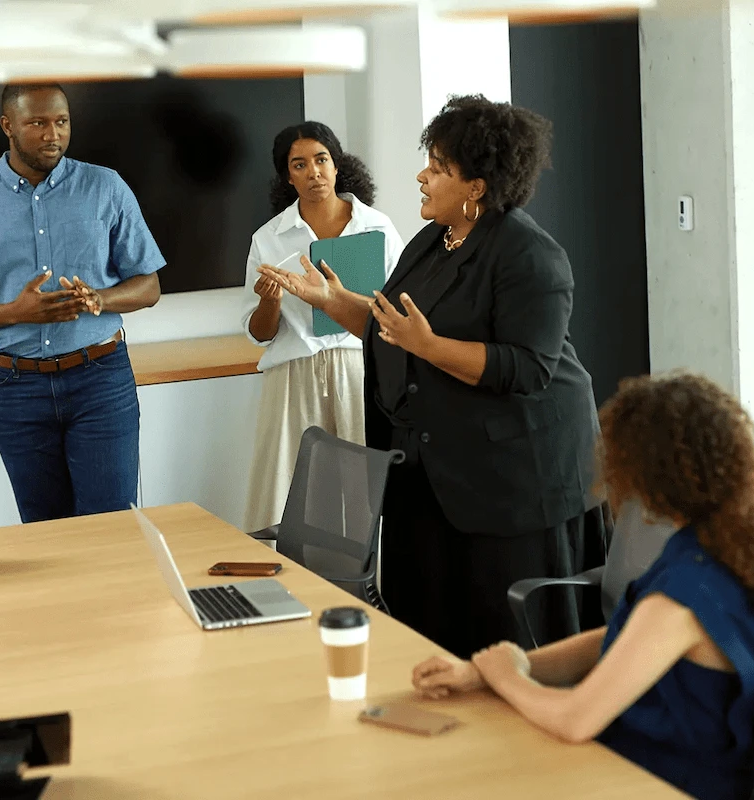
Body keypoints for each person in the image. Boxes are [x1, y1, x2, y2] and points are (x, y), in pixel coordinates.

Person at [258, 96, 604, 657]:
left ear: (478, 186)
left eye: (438, 167)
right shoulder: (431, 240)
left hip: (515, 478)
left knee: (502, 637)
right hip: (428, 467)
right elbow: (391, 327)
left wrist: (431, 346)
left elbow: (527, 368)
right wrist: (336, 300)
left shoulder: (531, 256)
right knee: (429, 628)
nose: (421, 175)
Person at [411, 372, 754, 800]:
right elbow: (626, 640)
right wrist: (483, 673)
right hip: (678, 760)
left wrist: (508, 678)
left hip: (658, 780)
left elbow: (574, 720)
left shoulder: (686, 595)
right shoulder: (729, 542)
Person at [0, 83, 165, 524]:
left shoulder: (106, 187)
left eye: (62, 122)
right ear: (7, 126)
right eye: (38, 123)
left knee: (113, 525)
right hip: (15, 387)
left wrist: (99, 299)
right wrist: (15, 312)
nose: (54, 135)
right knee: (44, 529)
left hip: (101, 380)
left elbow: (148, 286)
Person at [241, 121, 404, 532]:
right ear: (287, 175)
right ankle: (283, 586)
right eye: (300, 164)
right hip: (293, 374)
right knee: (285, 493)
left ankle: (372, 587)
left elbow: (400, 307)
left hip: (359, 369)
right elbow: (260, 332)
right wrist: (270, 300)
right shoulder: (269, 237)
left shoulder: (376, 227)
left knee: (364, 494)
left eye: (322, 160)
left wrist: (338, 300)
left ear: (337, 165)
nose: (313, 172)